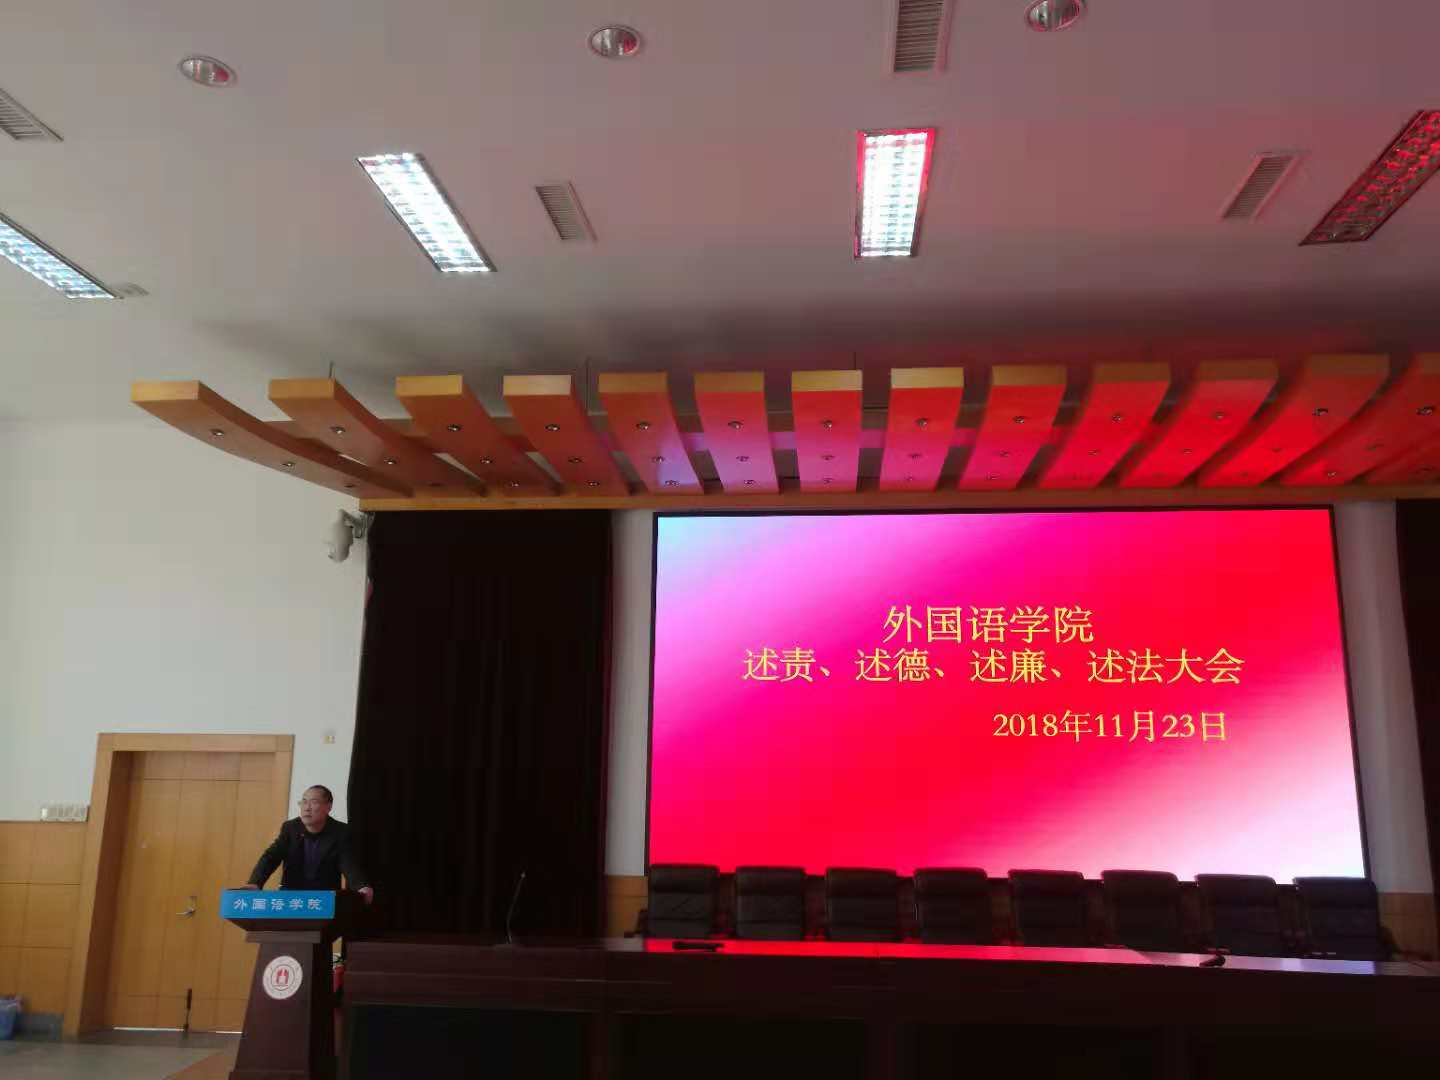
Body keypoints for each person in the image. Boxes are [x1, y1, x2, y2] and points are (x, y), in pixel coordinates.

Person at [242, 784, 374, 904]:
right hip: (291, 897)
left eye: (313, 802)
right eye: (304, 802)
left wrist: (361, 886)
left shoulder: (340, 832)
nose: (306, 808)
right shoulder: (290, 828)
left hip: (323, 899)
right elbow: (271, 857)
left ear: (328, 807)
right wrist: (255, 882)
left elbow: (348, 863)